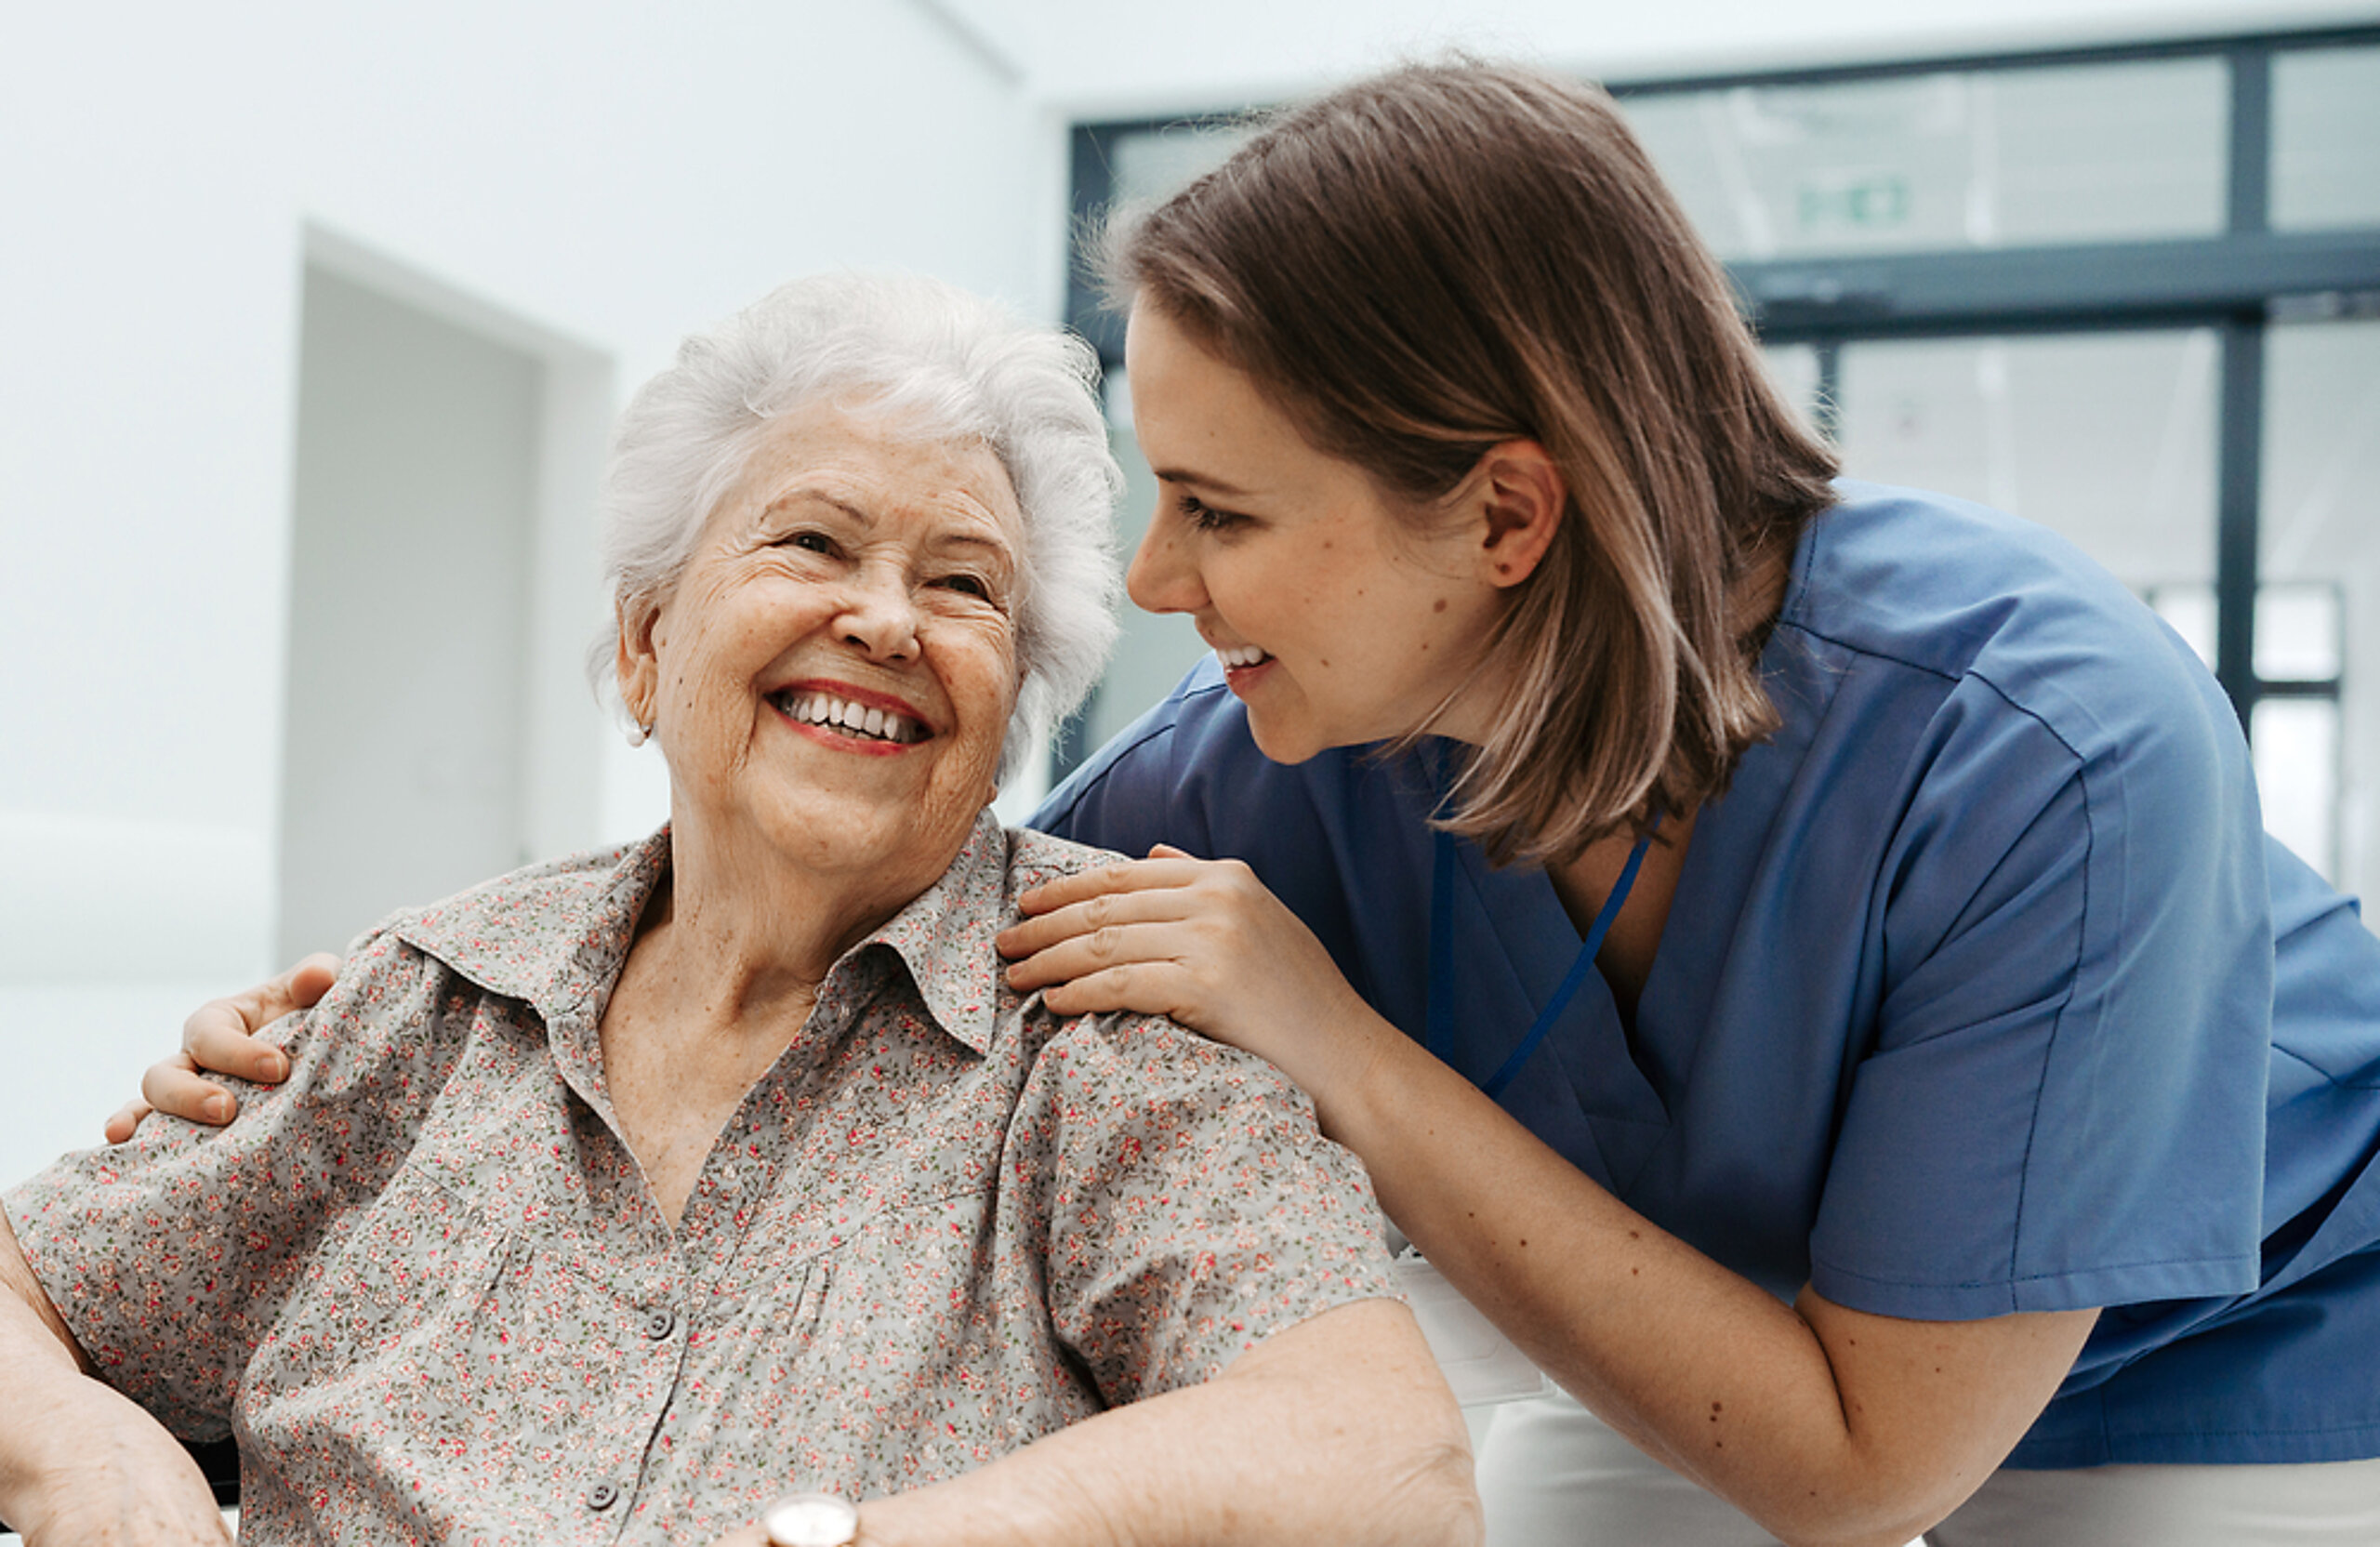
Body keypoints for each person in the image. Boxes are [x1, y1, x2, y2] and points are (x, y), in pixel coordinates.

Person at [116, 60, 2380, 1547]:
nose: (1164, 589)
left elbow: (1861, 1466)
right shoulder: (1266, 755)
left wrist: (1341, 1047)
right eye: (803, 551)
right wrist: (390, 1039)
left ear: (1502, 516)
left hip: (2227, 1354)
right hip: (1734, 1360)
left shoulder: (2039, 749)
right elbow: (880, 908)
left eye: (1213, 505)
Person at [5, 271, 1479, 1547]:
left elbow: (1383, 1465)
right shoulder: (430, 1002)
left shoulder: (1099, 1024)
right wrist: (86, 1447)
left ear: (1011, 710)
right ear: (648, 648)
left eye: (963, 584)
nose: (888, 621)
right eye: (813, 545)